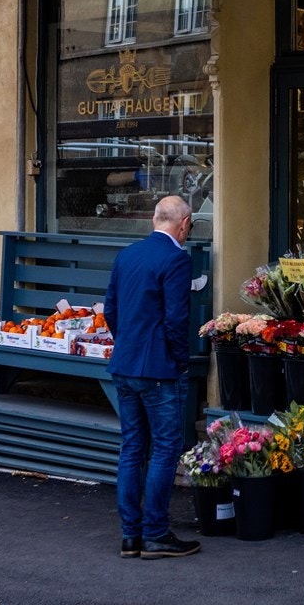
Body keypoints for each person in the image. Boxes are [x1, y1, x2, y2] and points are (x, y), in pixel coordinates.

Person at [104, 195, 201, 559]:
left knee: (132, 447)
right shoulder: (177, 259)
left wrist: (128, 343)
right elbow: (177, 319)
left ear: (153, 219)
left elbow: (111, 310)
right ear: (184, 223)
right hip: (159, 368)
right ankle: (156, 533)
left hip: (124, 364)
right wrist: (179, 360)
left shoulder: (127, 255)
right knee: (165, 448)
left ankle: (131, 535)